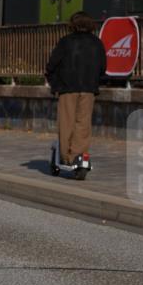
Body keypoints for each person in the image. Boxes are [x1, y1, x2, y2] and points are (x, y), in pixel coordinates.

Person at [45, 11, 105, 174]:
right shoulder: (97, 43)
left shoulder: (65, 42)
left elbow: (52, 64)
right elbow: (103, 68)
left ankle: (66, 157)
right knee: (83, 124)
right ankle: (79, 156)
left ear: (73, 25)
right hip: (88, 89)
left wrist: (53, 82)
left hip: (67, 88)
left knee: (67, 123)